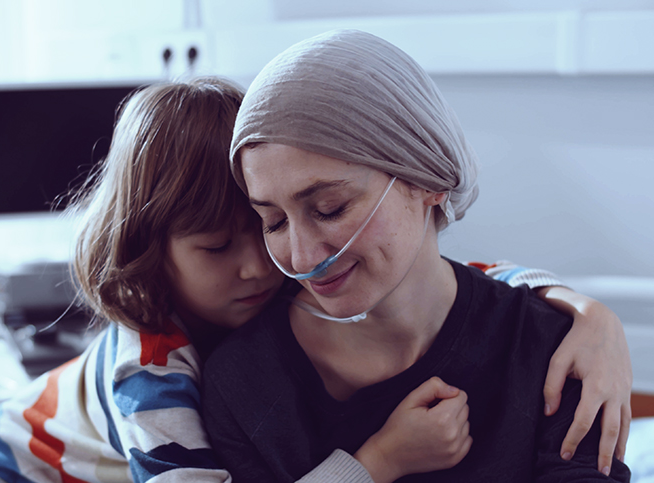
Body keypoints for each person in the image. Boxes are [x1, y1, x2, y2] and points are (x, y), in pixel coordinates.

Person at [0, 77, 627, 483]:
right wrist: (379, 461)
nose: (274, 260)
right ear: (150, 251)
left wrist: (583, 312)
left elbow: (449, 276)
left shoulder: (270, 279)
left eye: (265, 223)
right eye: (217, 246)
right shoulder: (149, 374)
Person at [201, 30, 632, 482]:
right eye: (274, 222)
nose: (303, 256)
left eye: (331, 208)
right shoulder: (241, 384)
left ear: (427, 179)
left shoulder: (560, 353)